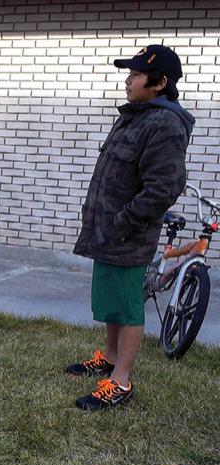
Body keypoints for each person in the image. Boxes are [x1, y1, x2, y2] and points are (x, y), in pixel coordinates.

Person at [67, 45, 194, 410]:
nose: (128, 80)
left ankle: (120, 381)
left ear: (159, 83)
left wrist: (123, 222)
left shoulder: (166, 125)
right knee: (110, 300)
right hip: (107, 229)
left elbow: (163, 188)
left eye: (136, 75)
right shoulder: (135, 116)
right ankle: (108, 356)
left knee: (127, 305)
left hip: (128, 233)